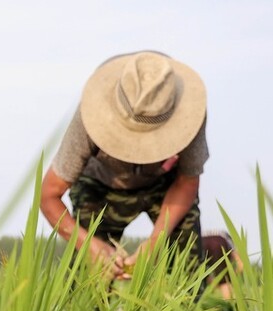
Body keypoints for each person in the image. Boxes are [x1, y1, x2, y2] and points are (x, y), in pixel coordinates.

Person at [40, 50, 208, 281]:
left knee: (187, 267)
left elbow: (187, 182)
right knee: (85, 285)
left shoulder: (190, 115)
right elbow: (48, 196)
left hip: (164, 184)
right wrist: (89, 245)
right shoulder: (88, 118)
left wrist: (152, 246)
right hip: (99, 183)